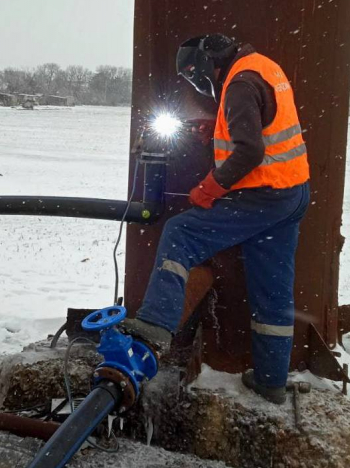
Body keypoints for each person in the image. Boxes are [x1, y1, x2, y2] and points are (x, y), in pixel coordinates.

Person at [124, 33, 310, 404]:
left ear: (209, 63)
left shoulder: (239, 83)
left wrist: (209, 188)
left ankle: (157, 323)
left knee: (181, 232)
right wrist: (214, 128)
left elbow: (250, 151)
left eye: (194, 75)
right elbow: (264, 127)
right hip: (293, 192)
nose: (196, 84)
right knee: (272, 290)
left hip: (262, 194)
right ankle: (271, 381)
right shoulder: (261, 66)